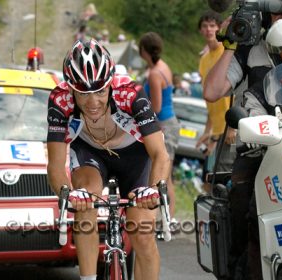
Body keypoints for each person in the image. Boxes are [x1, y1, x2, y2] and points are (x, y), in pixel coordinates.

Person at [46, 39, 170, 280]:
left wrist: (153, 190)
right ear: (71, 88)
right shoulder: (60, 100)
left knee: (142, 232)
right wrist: (66, 192)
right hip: (90, 153)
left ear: (111, 84)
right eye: (83, 94)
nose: (93, 103)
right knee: (85, 198)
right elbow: (55, 162)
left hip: (134, 155)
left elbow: (160, 154)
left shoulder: (131, 93)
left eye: (101, 91)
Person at [202, 2, 282, 279]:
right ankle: (242, 268)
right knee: (244, 203)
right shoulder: (252, 49)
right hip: (261, 150)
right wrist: (231, 43)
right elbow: (213, 91)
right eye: (278, 10)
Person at [138, 31, 179, 223]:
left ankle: (167, 217)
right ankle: (167, 216)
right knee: (166, 173)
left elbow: (155, 106)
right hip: (169, 122)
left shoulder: (154, 74)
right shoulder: (164, 66)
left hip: (163, 125)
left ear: (144, 51)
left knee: (164, 172)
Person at [195, 10, 236, 175]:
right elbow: (210, 99)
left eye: (212, 26)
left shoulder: (227, 53)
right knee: (211, 176)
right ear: (200, 31)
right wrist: (207, 131)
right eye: (205, 26)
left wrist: (233, 127)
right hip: (218, 129)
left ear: (220, 28)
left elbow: (237, 90)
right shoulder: (204, 59)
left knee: (224, 175)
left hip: (231, 127)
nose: (209, 30)